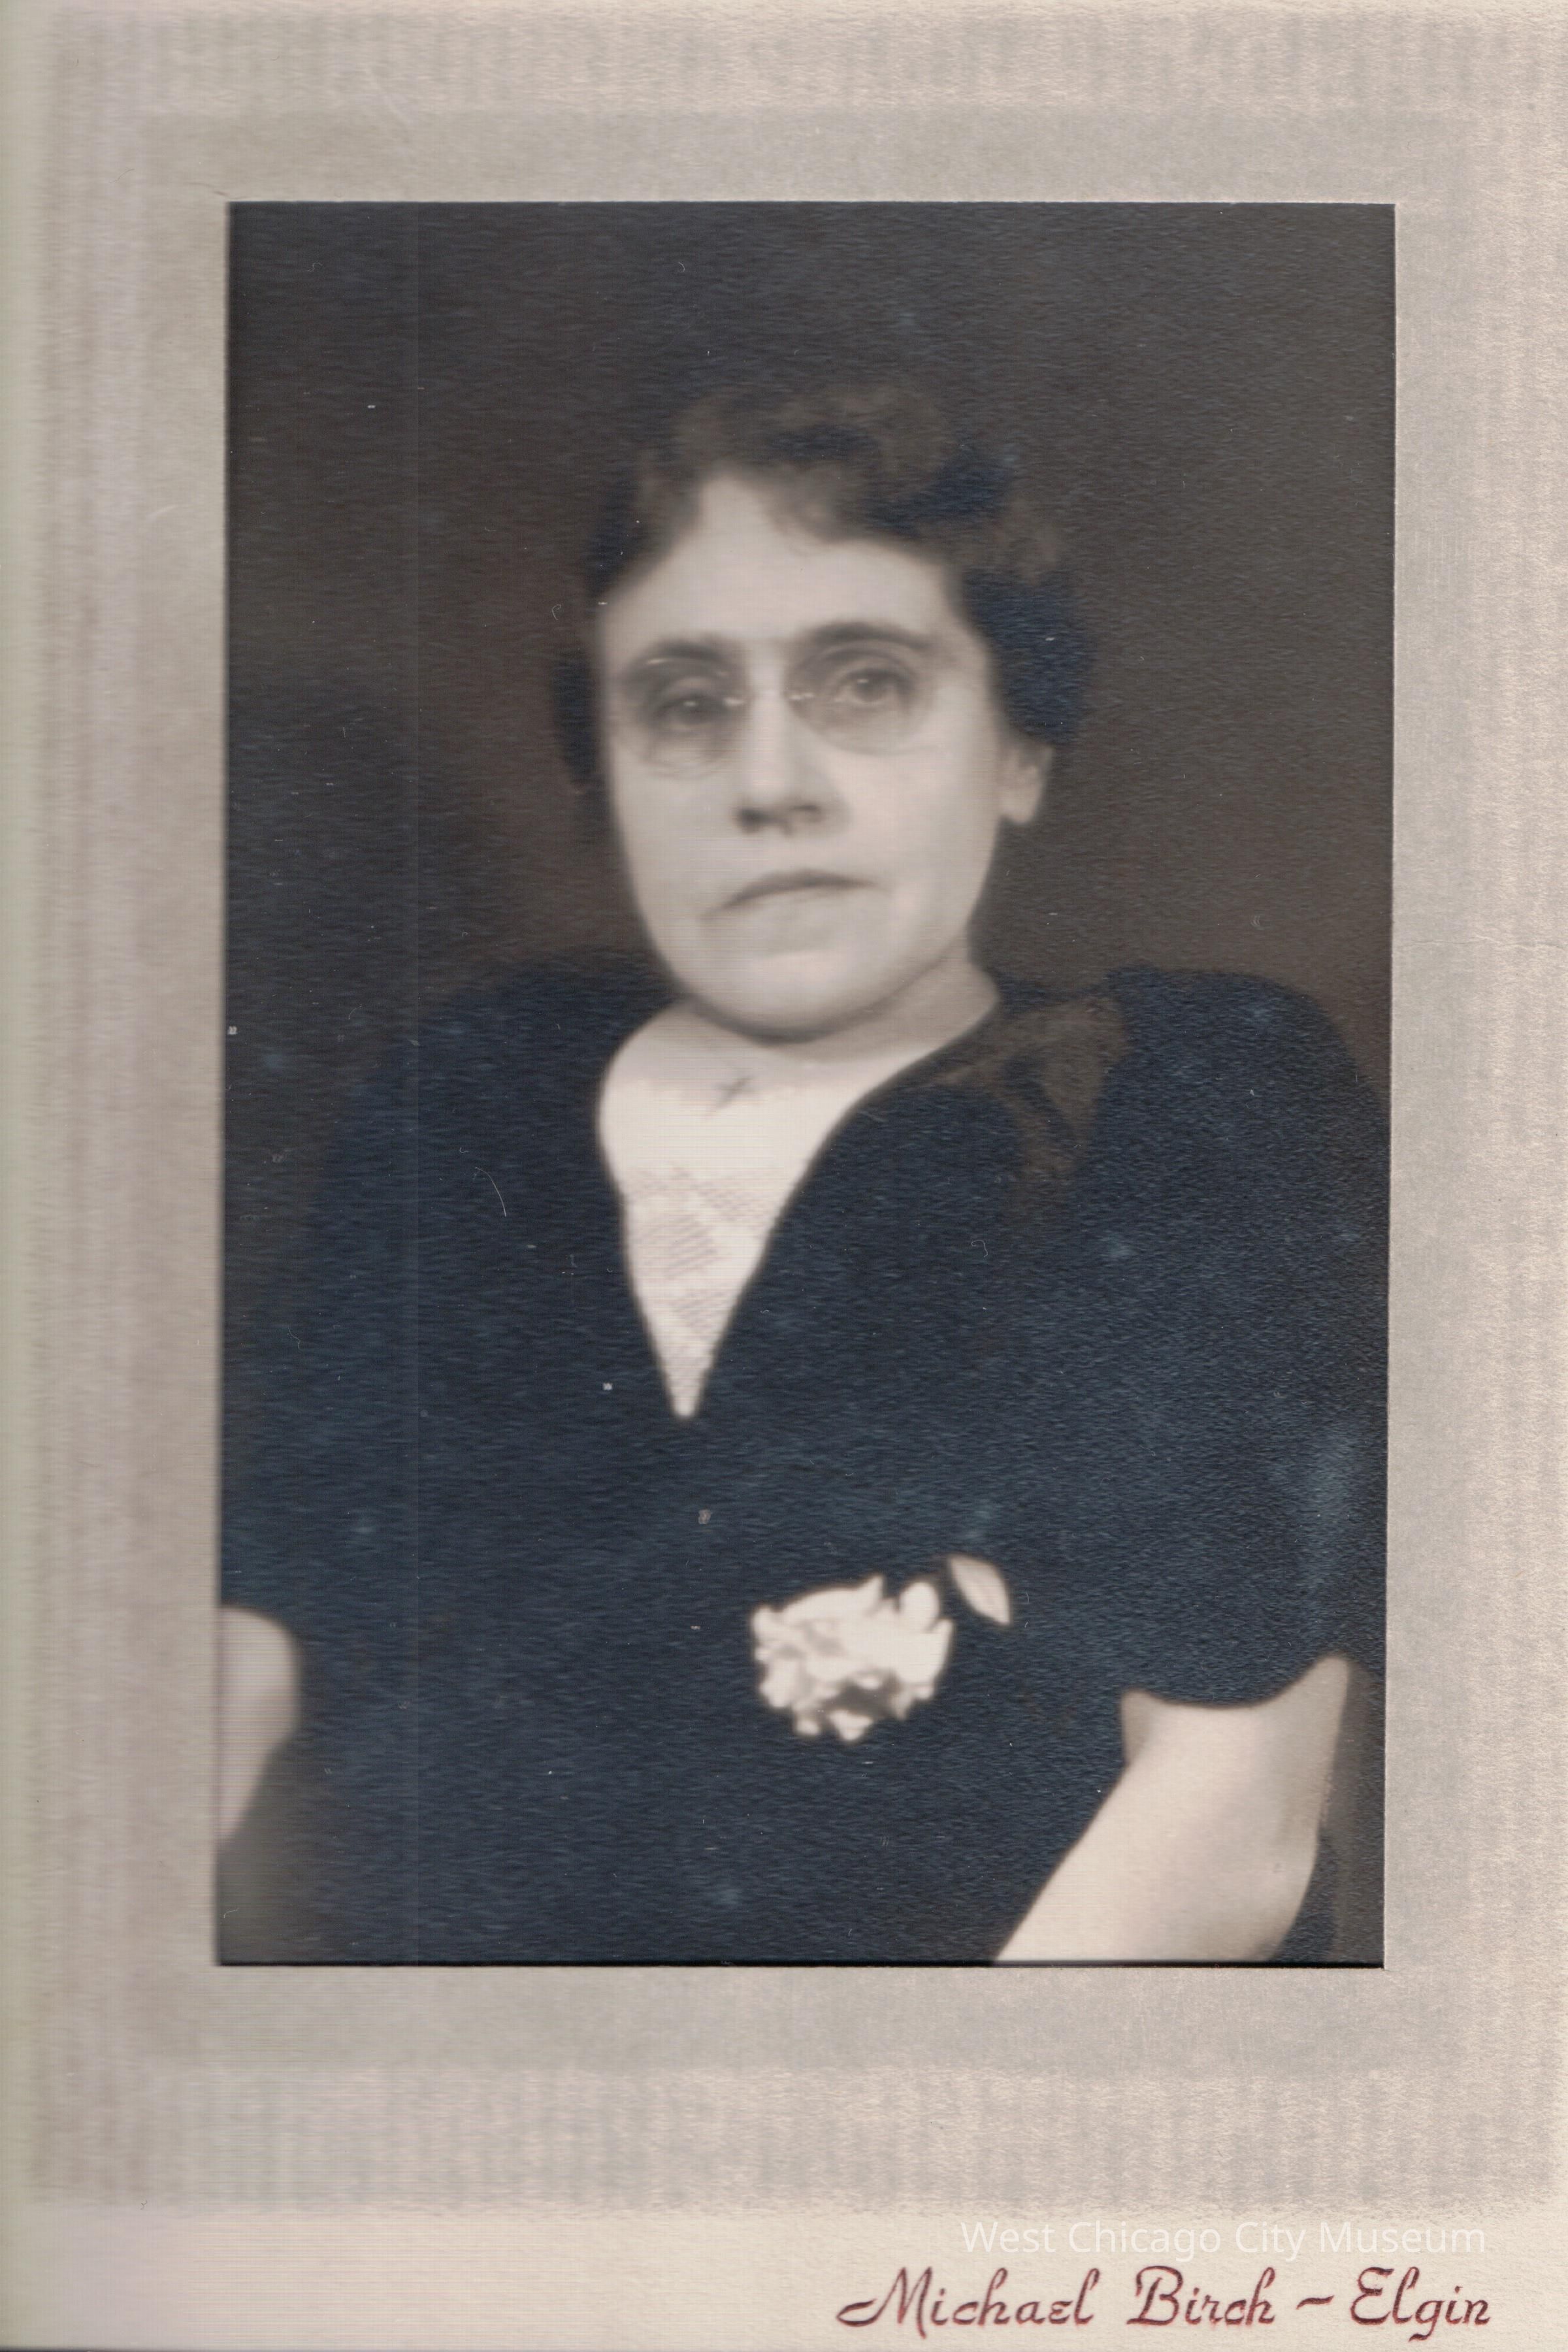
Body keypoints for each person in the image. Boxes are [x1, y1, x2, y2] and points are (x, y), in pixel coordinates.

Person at [219, 383, 1385, 1965]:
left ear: (1022, 749)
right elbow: (248, 1646)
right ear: (606, 766)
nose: (770, 780)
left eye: (867, 683)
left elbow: (1230, 1826)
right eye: (685, 704)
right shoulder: (469, 1101)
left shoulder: (1183, 1105)